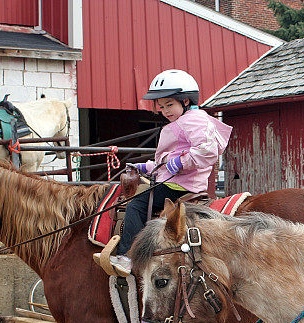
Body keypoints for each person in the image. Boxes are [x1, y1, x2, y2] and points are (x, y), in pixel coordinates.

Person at [97, 69, 232, 276]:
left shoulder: (193, 120)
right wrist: (146, 167)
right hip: (175, 181)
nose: (165, 111)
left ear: (186, 101)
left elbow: (207, 151)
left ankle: (127, 257)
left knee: (135, 206)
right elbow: (166, 163)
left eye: (170, 105)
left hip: (180, 186)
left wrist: (180, 162)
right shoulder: (184, 121)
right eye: (161, 106)